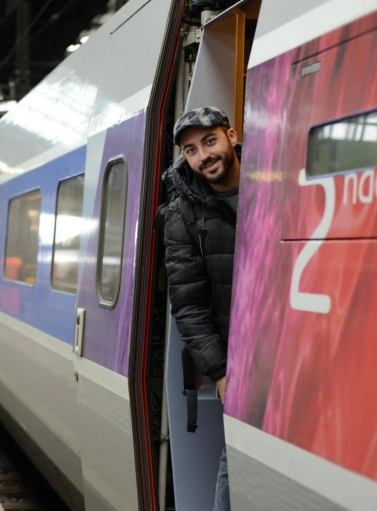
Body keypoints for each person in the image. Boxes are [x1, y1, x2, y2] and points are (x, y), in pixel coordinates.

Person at [160, 106, 240, 511]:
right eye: (191, 150)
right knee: (239, 455)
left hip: (291, 344)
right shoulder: (181, 216)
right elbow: (187, 306)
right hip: (240, 357)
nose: (203, 155)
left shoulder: (274, 184)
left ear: (231, 134)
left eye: (209, 141)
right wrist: (220, 370)